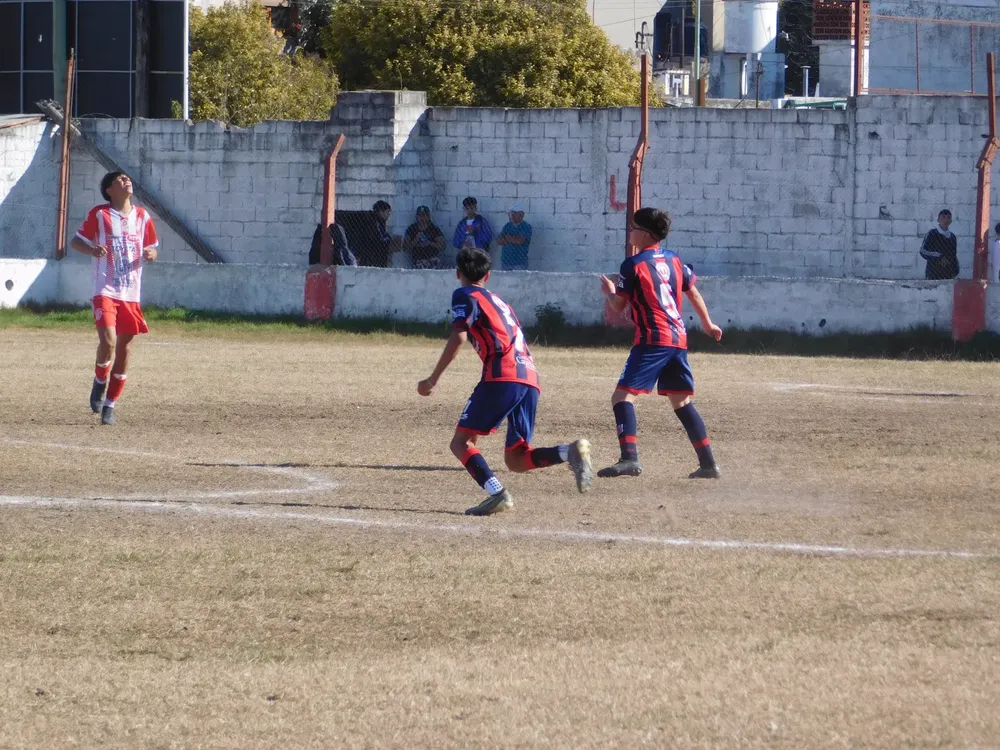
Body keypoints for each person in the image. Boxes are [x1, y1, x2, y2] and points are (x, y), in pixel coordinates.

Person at [417, 247, 593, 516]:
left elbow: (459, 336)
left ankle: (497, 494)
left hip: (502, 375)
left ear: (457, 273)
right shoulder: (501, 302)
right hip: (529, 377)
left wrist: (432, 379)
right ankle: (568, 452)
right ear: (488, 276)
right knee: (516, 459)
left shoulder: (464, 294)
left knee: (460, 443)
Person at [598, 207, 723, 480]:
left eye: (633, 227)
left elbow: (618, 306)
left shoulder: (632, 265)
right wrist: (708, 324)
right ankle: (709, 464)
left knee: (621, 397)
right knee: (681, 401)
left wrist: (609, 292)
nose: (630, 231)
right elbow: (693, 292)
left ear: (645, 234)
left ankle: (629, 458)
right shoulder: (675, 260)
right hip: (678, 339)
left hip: (653, 340)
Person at [69, 171, 158, 426]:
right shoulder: (100, 214)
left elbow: (152, 247)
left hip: (130, 292)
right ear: (109, 190)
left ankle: (110, 404)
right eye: (120, 179)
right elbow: (76, 241)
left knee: (124, 348)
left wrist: (151, 254)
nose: (126, 180)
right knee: (108, 341)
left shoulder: (142, 216)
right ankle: (100, 379)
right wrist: (91, 249)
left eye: (127, 178)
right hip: (105, 289)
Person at [919, 209, 959, 280]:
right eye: (943, 217)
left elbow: (954, 256)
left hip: (948, 275)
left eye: (948, 217)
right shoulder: (932, 233)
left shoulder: (952, 237)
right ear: (938, 220)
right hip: (933, 274)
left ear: (951, 221)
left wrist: (956, 269)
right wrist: (938, 256)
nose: (946, 220)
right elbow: (922, 251)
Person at [496, 203, 533, 270]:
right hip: (505, 262)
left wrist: (506, 238)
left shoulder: (526, 227)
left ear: (521, 215)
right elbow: (499, 241)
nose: (512, 215)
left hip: (519, 263)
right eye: (512, 213)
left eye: (515, 213)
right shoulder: (507, 226)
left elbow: (520, 241)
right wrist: (512, 238)